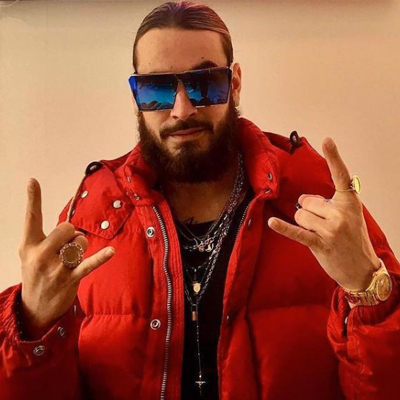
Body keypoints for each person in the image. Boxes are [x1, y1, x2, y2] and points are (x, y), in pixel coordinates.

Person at [1, 2, 399, 399]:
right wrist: (32, 323)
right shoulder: (93, 213)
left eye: (204, 83)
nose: (182, 110)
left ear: (235, 83)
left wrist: (369, 288)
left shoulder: (314, 196)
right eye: (157, 89)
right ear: (135, 95)